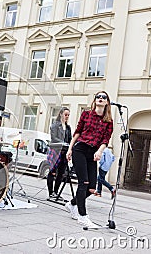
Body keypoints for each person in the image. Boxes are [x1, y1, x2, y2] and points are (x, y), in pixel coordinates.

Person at [64, 91, 113, 228]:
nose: (101, 98)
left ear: (107, 102)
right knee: (83, 183)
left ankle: (72, 203)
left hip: (93, 153)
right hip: (80, 149)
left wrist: (99, 151)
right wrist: (70, 149)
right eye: (98, 96)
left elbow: (105, 139)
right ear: (95, 100)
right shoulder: (86, 114)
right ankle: (83, 216)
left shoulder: (108, 121)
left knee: (92, 188)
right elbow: (78, 132)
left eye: (104, 97)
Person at [46, 107, 72, 199]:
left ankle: (56, 192)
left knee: (61, 174)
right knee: (52, 172)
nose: (67, 117)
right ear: (61, 114)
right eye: (65, 115)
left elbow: (70, 140)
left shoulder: (68, 127)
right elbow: (54, 138)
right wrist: (63, 143)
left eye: (68, 115)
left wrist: (70, 147)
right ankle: (50, 192)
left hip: (64, 152)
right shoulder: (55, 125)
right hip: (56, 151)